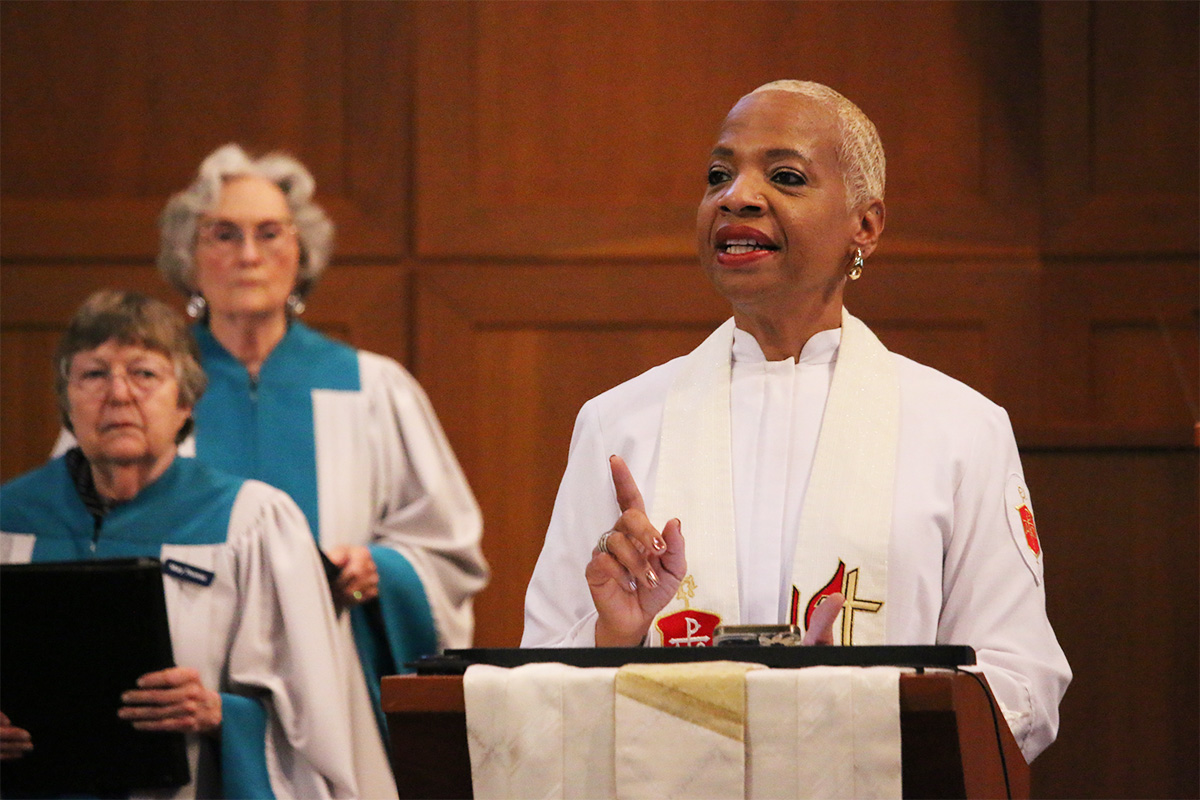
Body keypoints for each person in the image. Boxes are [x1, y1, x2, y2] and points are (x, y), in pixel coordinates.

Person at [521, 80, 1071, 762]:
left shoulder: (961, 430)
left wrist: (852, 718)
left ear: (865, 226)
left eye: (785, 176)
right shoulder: (618, 425)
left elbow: (1021, 683)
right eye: (718, 176)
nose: (737, 197)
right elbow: (533, 683)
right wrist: (617, 640)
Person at [152, 143, 491, 788]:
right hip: (184, 691)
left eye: (269, 233)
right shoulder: (143, 388)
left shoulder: (371, 388)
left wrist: (379, 569)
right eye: (224, 234)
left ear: (301, 252)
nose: (248, 254)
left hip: (338, 679)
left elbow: (449, 555)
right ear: (187, 256)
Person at [1, 290, 365, 798]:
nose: (119, 394)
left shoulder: (251, 522)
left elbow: (311, 722)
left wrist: (219, 714)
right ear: (67, 402)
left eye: (144, 373)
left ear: (185, 402)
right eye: (94, 374)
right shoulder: (10, 519)